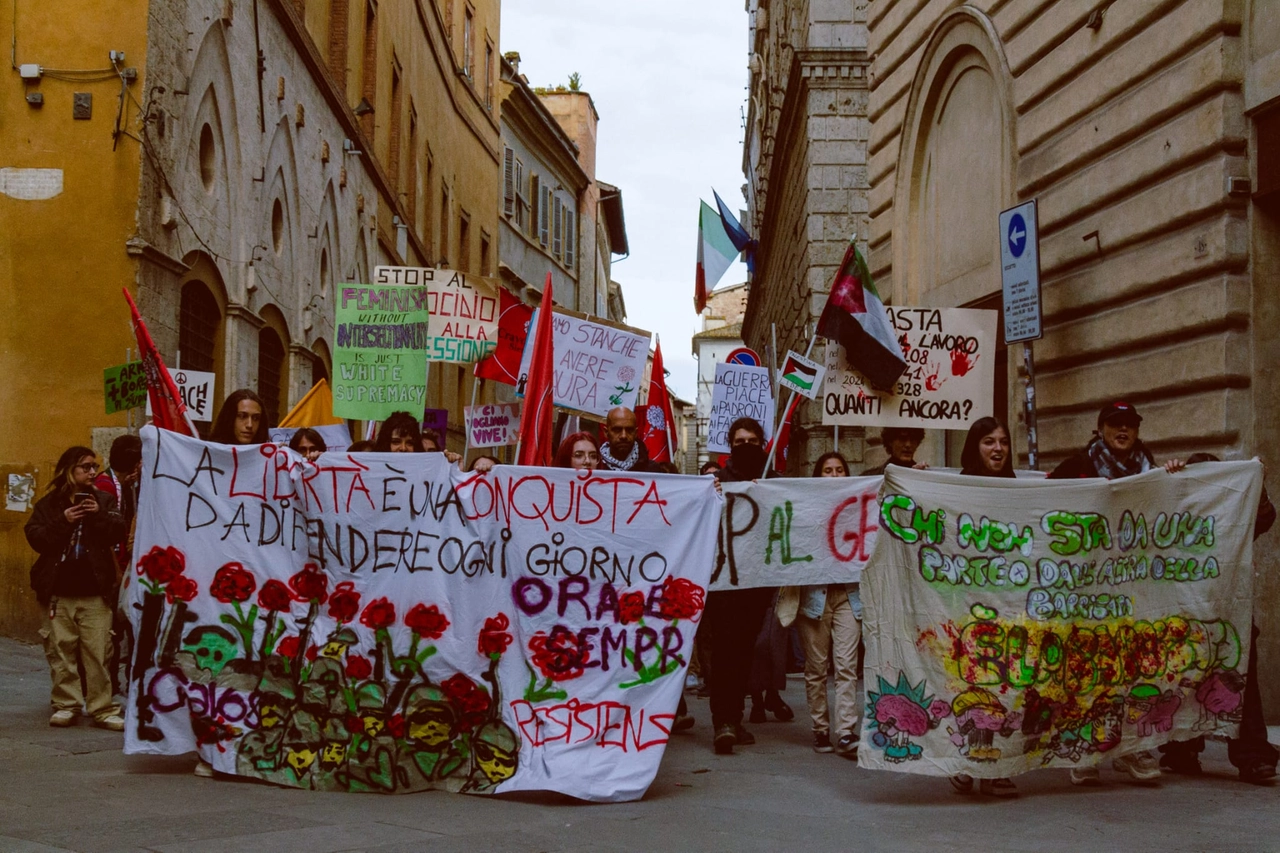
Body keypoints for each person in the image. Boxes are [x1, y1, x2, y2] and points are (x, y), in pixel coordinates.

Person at [1049, 401, 1183, 785]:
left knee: (1137, 668)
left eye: (1130, 425)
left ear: (1137, 431)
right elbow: (1042, 506)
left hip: (1137, 586)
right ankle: (1088, 753)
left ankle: (1134, 751)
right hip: (1090, 589)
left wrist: (1174, 474)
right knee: (1091, 670)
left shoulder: (1152, 469)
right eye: (1115, 424)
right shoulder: (1079, 465)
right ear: (1101, 428)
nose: (1123, 430)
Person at [1159, 453, 1277, 784]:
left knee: (1239, 685)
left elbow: (1265, 517)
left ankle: (1252, 756)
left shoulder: (1233, 517)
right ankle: (1182, 750)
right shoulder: (1175, 519)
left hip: (1229, 620)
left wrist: (1256, 482)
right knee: (1185, 685)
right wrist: (1170, 476)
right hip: (1186, 621)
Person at [24, 447, 127, 731]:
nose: (92, 472)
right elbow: (37, 538)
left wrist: (96, 515)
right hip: (58, 591)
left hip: (95, 592)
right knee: (61, 652)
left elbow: (119, 531)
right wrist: (64, 520)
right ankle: (66, 705)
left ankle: (102, 708)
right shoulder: (49, 505)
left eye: (94, 467)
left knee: (98, 653)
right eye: (86, 467)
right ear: (69, 470)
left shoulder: (103, 501)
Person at [949, 418, 1018, 797]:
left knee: (1005, 683)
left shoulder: (1018, 491)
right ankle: (963, 760)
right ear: (974, 446)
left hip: (1007, 604)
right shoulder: (957, 487)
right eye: (989, 441)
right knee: (967, 685)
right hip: (965, 605)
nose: (997, 449)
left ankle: (998, 768)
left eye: (1003, 442)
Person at [705, 417, 776, 754]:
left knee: (745, 651)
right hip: (722, 584)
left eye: (752, 440)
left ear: (762, 442)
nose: (746, 445)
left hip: (757, 585)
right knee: (724, 653)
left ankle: (735, 718)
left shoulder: (774, 481)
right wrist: (706, 491)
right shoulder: (716, 481)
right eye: (739, 440)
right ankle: (724, 721)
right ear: (729, 444)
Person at [793, 452, 861, 758]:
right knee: (816, 668)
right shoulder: (806, 509)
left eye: (839, 470)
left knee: (847, 666)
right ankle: (820, 728)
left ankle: (846, 731)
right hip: (815, 597)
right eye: (827, 471)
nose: (834, 476)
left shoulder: (860, 508)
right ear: (817, 476)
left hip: (849, 595)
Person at [93, 434, 142, 696]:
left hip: (125, 565)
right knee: (114, 628)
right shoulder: (106, 486)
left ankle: (121, 680)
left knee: (126, 626)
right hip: (115, 567)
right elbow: (104, 534)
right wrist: (116, 568)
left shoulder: (127, 485)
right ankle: (110, 682)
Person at [599, 407, 657, 472]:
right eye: (617, 430)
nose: (624, 436)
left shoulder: (652, 470)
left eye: (629, 430)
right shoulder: (595, 466)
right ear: (606, 432)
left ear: (636, 433)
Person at [861, 427, 926, 475]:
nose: (908, 445)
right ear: (890, 441)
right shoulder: (869, 477)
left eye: (913, 440)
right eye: (902, 439)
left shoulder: (924, 475)